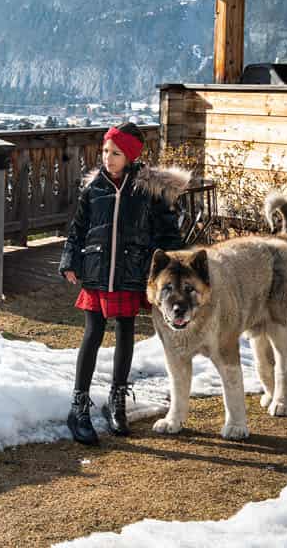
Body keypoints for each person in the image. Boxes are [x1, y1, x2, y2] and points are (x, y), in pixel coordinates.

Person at [58, 122, 190, 444]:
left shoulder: (148, 191)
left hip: (132, 272)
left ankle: (117, 400)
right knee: (92, 334)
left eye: (115, 153)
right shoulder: (94, 189)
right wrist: (69, 261)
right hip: (97, 273)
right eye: (105, 151)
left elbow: (167, 233)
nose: (108, 158)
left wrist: (179, 265)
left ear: (130, 156)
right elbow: (78, 229)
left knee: (126, 332)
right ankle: (79, 407)